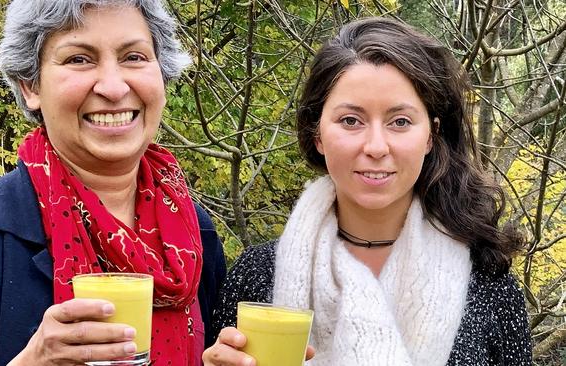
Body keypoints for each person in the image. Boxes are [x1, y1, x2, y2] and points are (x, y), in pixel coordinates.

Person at [203, 17, 531, 366]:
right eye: (351, 121)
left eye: (400, 122)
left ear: (430, 136)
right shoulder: (256, 276)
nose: (376, 146)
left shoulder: (487, 284)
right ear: (317, 135)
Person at [0, 0, 227, 365]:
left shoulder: (193, 235)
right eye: (79, 59)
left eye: (134, 57)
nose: (113, 88)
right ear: (30, 85)